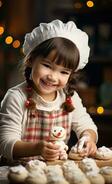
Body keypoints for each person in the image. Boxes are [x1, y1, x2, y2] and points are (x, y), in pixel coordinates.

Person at [0, 19, 98, 163]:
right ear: (30, 60)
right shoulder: (16, 97)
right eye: (47, 65)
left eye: (64, 72)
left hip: (55, 173)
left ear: (71, 74)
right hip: (16, 174)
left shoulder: (70, 97)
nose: (53, 77)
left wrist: (88, 138)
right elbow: (5, 143)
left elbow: (87, 126)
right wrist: (37, 148)